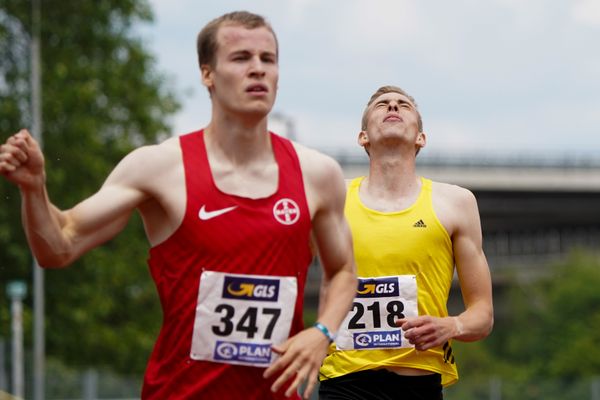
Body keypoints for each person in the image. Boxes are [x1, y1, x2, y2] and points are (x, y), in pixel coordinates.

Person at [0, 11, 357, 400]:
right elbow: (59, 245)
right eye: (241, 58)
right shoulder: (159, 167)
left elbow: (343, 270)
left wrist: (322, 332)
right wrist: (34, 189)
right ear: (207, 73)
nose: (258, 70)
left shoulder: (317, 174)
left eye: (267, 59)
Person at [318, 85, 494, 399]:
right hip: (344, 380)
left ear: (420, 138)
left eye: (403, 105)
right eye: (382, 105)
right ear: (363, 137)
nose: (393, 107)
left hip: (419, 382)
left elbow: (482, 314)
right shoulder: (332, 198)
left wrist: (450, 326)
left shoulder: (455, 203)